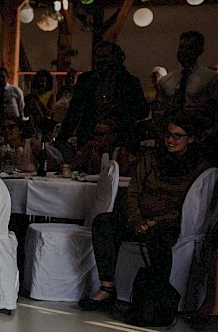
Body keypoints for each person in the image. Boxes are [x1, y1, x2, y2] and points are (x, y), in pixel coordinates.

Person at [82, 114, 208, 312]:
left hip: (167, 223)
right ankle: (107, 287)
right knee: (104, 222)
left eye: (177, 136)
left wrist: (155, 222)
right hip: (138, 218)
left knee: (159, 239)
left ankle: (154, 300)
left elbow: (190, 206)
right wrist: (136, 219)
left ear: (190, 139)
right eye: (168, 135)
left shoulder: (198, 167)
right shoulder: (151, 158)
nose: (170, 140)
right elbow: (134, 191)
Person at [61, 41, 148, 149]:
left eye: (106, 56)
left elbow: (142, 110)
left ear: (116, 58)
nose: (101, 60)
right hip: (90, 136)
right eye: (98, 56)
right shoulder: (86, 80)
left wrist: (117, 108)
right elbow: (74, 111)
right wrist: (61, 138)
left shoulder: (129, 82)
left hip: (120, 139)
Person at [154, 31, 217, 121]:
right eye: (181, 47)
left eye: (190, 48)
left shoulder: (211, 79)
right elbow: (158, 111)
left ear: (200, 51)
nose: (183, 51)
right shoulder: (165, 81)